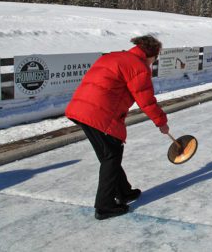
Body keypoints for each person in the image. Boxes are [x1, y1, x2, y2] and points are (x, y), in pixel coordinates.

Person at [65, 35, 169, 220]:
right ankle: (104, 206)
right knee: (111, 157)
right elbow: (146, 100)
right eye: (155, 58)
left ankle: (124, 192)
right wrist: (161, 122)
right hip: (99, 114)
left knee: (109, 154)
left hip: (80, 108)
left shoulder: (113, 56)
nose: (154, 62)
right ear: (150, 55)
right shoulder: (138, 67)